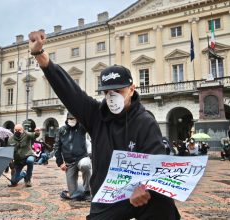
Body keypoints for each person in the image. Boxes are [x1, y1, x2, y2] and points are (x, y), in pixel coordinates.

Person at [29, 31, 180, 219]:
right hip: (108, 194)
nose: (112, 96)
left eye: (118, 90)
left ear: (131, 90)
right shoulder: (96, 115)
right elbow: (69, 91)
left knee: (165, 207)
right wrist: (40, 55)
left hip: (141, 193)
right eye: (107, 91)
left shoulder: (145, 122)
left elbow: (158, 162)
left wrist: (144, 187)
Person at [54, 112, 92, 201]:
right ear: (67, 119)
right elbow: (56, 147)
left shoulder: (82, 128)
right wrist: (60, 163)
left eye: (74, 119)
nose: (72, 120)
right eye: (70, 119)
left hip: (82, 158)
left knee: (85, 165)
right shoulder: (61, 130)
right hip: (69, 163)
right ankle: (78, 190)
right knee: (73, 195)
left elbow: (90, 124)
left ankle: (87, 191)